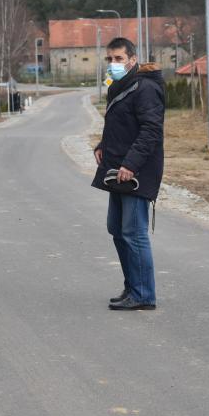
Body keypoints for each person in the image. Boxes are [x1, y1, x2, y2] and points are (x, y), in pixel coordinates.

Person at [92, 37, 165, 311]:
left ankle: (143, 294)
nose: (113, 64)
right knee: (117, 229)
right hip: (118, 170)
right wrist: (102, 145)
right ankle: (133, 285)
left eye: (119, 59)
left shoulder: (145, 88)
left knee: (134, 233)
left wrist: (131, 164)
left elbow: (151, 131)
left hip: (136, 172)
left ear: (132, 60)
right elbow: (119, 125)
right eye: (110, 59)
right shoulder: (120, 86)